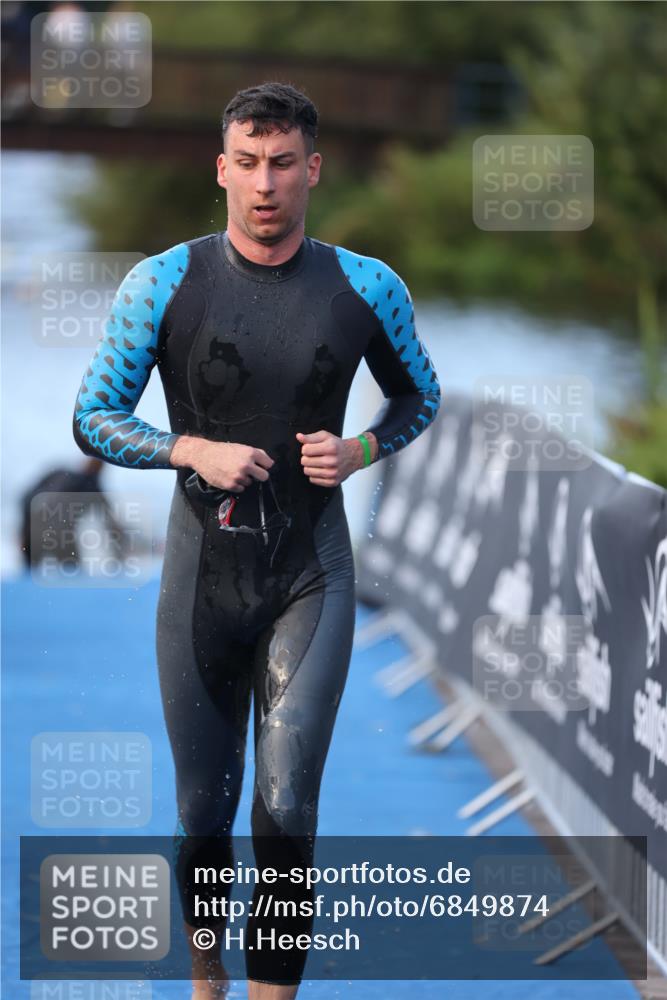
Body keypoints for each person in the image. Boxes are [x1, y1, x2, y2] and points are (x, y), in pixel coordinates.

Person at [72, 82, 441, 999]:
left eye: (282, 163)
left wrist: (358, 448)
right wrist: (187, 447)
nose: (264, 184)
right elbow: (92, 418)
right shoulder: (159, 283)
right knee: (203, 812)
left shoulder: (366, 287)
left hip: (311, 574)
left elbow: (419, 397)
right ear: (222, 168)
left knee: (287, 801)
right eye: (247, 163)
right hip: (201, 578)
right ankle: (207, 976)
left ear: (311, 168)